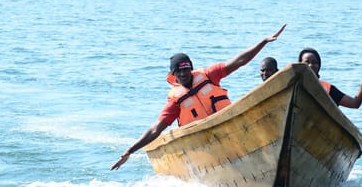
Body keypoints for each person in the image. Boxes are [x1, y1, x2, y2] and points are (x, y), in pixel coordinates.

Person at [111, 25, 286, 170]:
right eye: (179, 71)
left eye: (186, 69)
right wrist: (130, 151)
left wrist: (263, 42)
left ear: (191, 69)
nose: (184, 73)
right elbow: (156, 129)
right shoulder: (175, 100)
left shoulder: (209, 75)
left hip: (230, 131)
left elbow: (238, 61)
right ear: (174, 75)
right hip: (205, 144)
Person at [298, 47, 362, 108]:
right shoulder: (292, 83)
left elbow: (355, 103)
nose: (311, 65)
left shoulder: (328, 89)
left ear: (319, 66)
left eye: (314, 62)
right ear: (300, 64)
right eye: (307, 62)